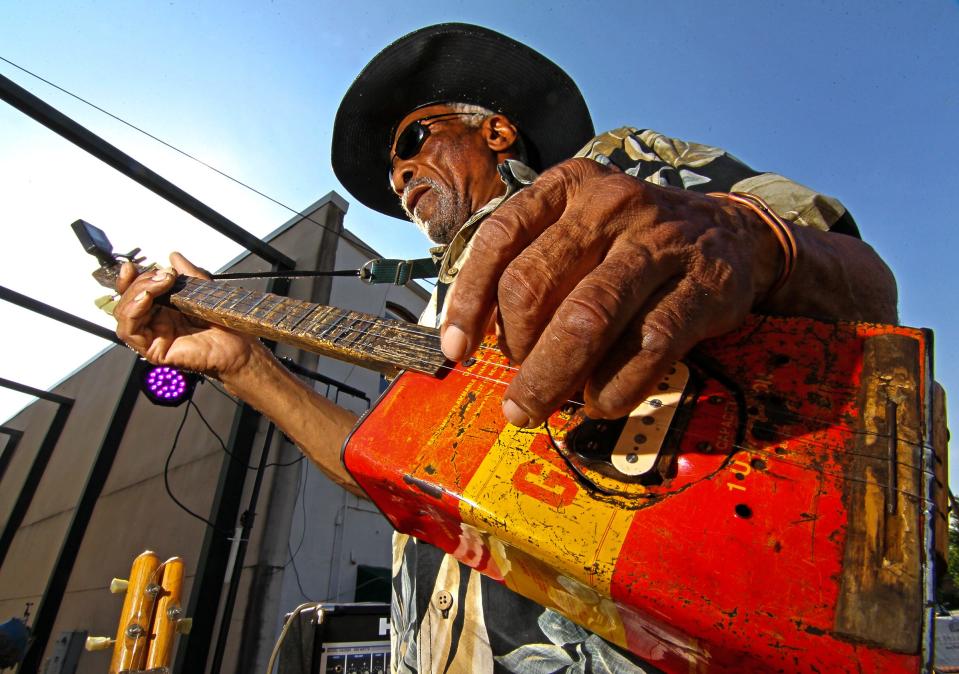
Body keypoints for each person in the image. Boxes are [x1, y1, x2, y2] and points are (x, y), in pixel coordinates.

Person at [115, 23, 897, 674]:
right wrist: (241, 364)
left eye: (413, 142)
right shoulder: (432, 317)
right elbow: (386, 479)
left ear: (494, 129)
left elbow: (866, 286)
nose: (401, 177)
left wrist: (742, 237)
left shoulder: (622, 172)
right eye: (393, 172)